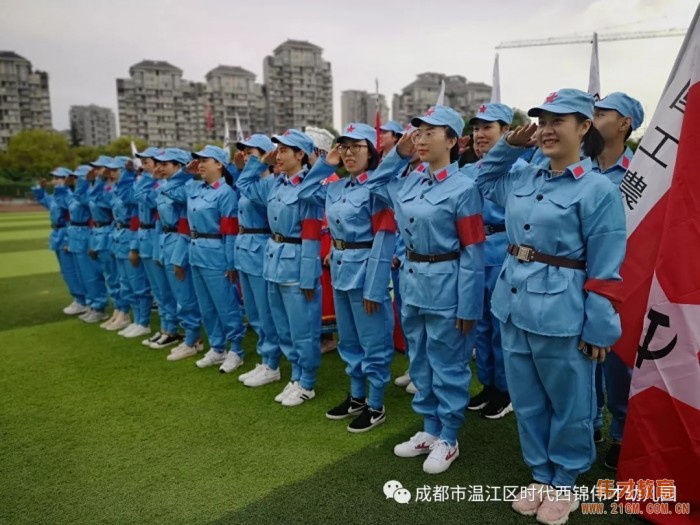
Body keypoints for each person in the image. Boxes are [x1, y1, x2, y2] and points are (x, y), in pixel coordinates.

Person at [476, 88, 626, 524]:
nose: (547, 129)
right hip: (513, 302)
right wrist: (508, 146)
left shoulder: (597, 189)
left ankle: (565, 481)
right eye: (543, 121)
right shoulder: (524, 176)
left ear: (584, 128)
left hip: (563, 308)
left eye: (560, 121)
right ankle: (540, 474)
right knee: (526, 399)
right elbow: (484, 180)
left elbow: (607, 261)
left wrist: (599, 324)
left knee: (571, 402)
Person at [365, 105, 486, 474]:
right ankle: (430, 429)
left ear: (453, 141)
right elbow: (373, 185)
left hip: (448, 283)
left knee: (448, 364)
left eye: (431, 132)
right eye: (418, 132)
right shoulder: (410, 180)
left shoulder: (465, 187)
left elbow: (473, 250)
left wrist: (469, 306)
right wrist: (397, 154)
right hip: (414, 282)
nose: (421, 138)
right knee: (419, 361)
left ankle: (449, 436)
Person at [298, 123, 396, 432]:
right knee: (349, 341)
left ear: (372, 152)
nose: (350, 153)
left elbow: (384, 238)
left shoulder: (378, 188)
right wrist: (325, 164)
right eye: (344, 147)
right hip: (340, 269)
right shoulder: (336, 186)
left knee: (374, 342)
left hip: (367, 270)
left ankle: (376, 404)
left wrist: (376, 285)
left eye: (357, 146)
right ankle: (356, 396)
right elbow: (304, 192)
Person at [236, 129, 323, 407]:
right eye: (278, 150)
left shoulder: (309, 187)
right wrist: (262, 162)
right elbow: (244, 184)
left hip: (297, 264)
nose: (279, 155)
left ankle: (307, 382)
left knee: (302, 329)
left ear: (301, 155)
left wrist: (309, 276)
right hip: (273, 263)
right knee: (284, 329)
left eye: (285, 150)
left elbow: (311, 235)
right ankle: (295, 377)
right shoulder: (275, 183)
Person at [591, 91, 644, 470]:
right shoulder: (578, 166)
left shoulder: (640, 174)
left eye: (602, 112)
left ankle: (623, 432)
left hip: (624, 279)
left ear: (625, 123)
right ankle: (588, 423)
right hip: (579, 276)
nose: (593, 117)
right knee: (582, 358)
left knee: (618, 361)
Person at [166, 146, 246, 372]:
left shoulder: (226, 193)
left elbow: (230, 232)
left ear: (219, 164)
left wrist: (231, 263)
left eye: (205, 160)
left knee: (226, 305)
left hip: (217, 254)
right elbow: (170, 189)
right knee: (206, 306)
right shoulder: (193, 187)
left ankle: (236, 349)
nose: (199, 164)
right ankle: (217, 347)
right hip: (196, 252)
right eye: (197, 160)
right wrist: (184, 172)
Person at [462, 104, 514, 419]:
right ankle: (488, 384)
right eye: (476, 129)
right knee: (479, 326)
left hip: (503, 249)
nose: (480, 135)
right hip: (473, 252)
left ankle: (506, 390)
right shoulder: (467, 171)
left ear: (506, 132)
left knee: (499, 328)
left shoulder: (519, 169)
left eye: (488, 128)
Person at [228, 135, 282, 386]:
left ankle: (271, 363)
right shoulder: (252, 182)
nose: (245, 155)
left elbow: (247, 184)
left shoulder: (270, 183)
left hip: (260, 249)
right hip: (245, 250)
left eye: (250, 151)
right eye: (244, 151)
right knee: (253, 311)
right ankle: (264, 360)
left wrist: (255, 167)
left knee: (264, 312)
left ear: (265, 154)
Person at [154, 148, 204, 361]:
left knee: (185, 296)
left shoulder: (184, 186)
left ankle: (193, 339)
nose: (160, 168)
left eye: (165, 164)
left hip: (181, 241)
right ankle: (189, 337)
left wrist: (184, 175)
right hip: (166, 240)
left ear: (178, 166)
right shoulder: (165, 185)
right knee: (175, 293)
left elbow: (184, 222)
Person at [133, 147, 181, 349]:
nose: (144, 167)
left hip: (167, 237)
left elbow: (144, 198)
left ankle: (173, 330)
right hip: (158, 239)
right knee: (159, 290)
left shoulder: (164, 186)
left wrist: (147, 179)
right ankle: (165, 328)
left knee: (170, 291)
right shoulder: (158, 184)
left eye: (147, 162)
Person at [106, 156, 152, 339]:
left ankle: (143, 322)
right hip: (120, 237)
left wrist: (129, 175)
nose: (112, 173)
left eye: (116, 170)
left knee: (138, 284)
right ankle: (136, 319)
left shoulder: (133, 186)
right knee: (126, 283)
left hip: (131, 237)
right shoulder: (119, 189)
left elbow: (132, 210)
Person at [33, 167, 88, 315]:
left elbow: (73, 219)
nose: (54, 181)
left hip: (66, 233)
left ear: (65, 180)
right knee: (66, 271)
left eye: (58, 178)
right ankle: (78, 299)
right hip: (57, 233)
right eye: (54, 178)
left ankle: (82, 300)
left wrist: (68, 240)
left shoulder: (69, 196)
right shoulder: (57, 197)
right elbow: (43, 199)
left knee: (72, 271)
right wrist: (40, 188)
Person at [306, 126, 339, 354]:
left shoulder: (332, 179)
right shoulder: (309, 179)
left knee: (326, 293)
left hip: (327, 241)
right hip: (312, 240)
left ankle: (328, 337)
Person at [67, 165, 109, 323]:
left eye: (80, 177)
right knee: (84, 275)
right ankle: (92, 305)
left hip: (91, 234)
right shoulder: (87, 191)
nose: (78, 180)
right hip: (84, 235)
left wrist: (96, 181)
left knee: (92, 275)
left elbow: (87, 199)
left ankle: (99, 307)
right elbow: (80, 196)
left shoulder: (99, 190)